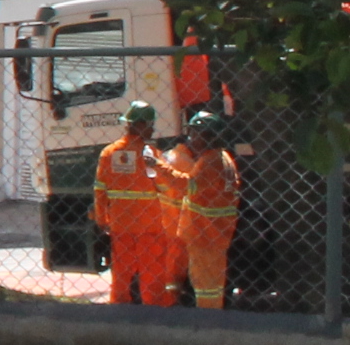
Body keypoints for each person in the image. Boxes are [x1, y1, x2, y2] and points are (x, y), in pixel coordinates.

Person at [89, 101, 177, 306]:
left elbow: (100, 190)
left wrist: (102, 219)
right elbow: (167, 186)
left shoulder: (109, 153)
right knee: (152, 276)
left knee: (121, 274)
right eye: (150, 124)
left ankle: (119, 311)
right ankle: (154, 315)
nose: (153, 129)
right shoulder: (151, 155)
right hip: (150, 226)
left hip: (121, 225)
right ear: (140, 125)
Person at [163, 107, 242, 309]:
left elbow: (185, 184)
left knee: (206, 286)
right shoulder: (223, 158)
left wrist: (158, 166)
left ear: (207, 136)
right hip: (215, 234)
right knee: (212, 284)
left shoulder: (209, 162)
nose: (191, 139)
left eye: (195, 134)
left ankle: (207, 322)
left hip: (205, 234)